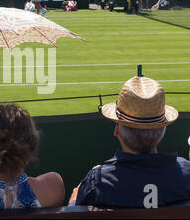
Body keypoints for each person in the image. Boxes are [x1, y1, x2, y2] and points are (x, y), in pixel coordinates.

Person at [70, 76, 190, 208]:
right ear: (162, 131)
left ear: (117, 132)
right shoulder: (186, 172)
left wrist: (74, 200)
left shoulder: (97, 181)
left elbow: (74, 213)